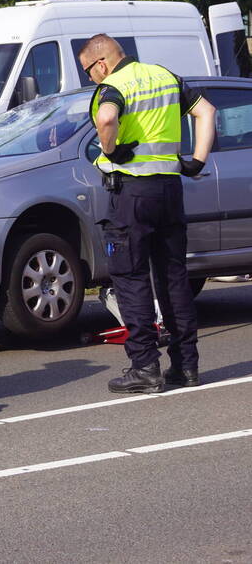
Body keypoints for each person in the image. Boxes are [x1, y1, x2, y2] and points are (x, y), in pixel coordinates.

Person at [79, 34, 216, 393]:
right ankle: (186, 366)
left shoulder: (114, 85)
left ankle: (145, 367)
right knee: (173, 277)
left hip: (132, 194)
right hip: (170, 190)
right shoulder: (164, 75)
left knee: (131, 277)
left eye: (88, 72)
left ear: (102, 63)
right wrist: (197, 160)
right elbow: (207, 111)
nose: (91, 79)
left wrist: (112, 152)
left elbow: (107, 119)